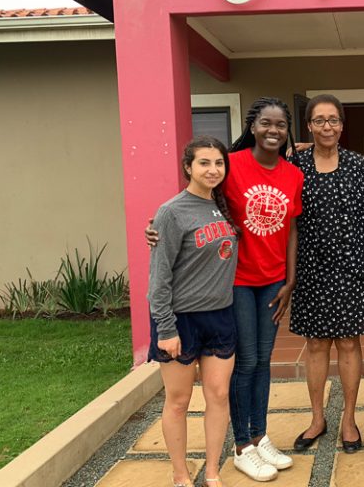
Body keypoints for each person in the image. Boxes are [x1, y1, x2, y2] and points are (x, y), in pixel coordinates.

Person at [147, 98, 303, 482]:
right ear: (252, 126)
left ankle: (260, 434)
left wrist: (290, 280)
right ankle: (242, 445)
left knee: (262, 362)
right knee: (245, 364)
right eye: (265, 123)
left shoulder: (293, 174)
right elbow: (194, 201)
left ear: (287, 131)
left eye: (280, 125)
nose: (273, 130)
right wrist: (157, 227)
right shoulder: (231, 165)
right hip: (234, 283)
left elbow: (293, 228)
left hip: (271, 280)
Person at [147, 136, 238, 487]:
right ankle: (181, 474)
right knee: (179, 401)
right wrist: (166, 328)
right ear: (188, 167)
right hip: (181, 320)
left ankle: (212, 471)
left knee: (217, 396)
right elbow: (159, 277)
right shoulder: (171, 211)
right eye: (204, 163)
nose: (213, 169)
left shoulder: (221, 204)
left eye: (218, 162)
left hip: (219, 316)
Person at [289, 94, 364, 454]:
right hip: (312, 268)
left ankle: (350, 419)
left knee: (348, 343)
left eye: (334, 120)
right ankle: (317, 418)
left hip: (352, 267)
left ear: (342, 125)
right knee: (315, 345)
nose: (328, 126)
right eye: (320, 120)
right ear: (309, 126)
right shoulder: (295, 166)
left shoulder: (360, 166)